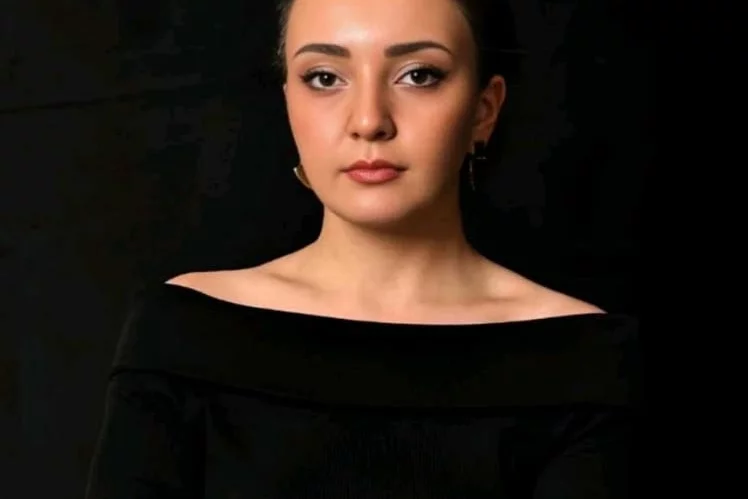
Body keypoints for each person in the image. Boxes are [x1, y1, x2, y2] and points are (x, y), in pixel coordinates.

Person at [85, 0, 640, 497]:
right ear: (288, 102)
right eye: (325, 77)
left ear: (483, 109)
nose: (369, 121)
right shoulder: (186, 331)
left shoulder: (579, 357)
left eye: (418, 75)